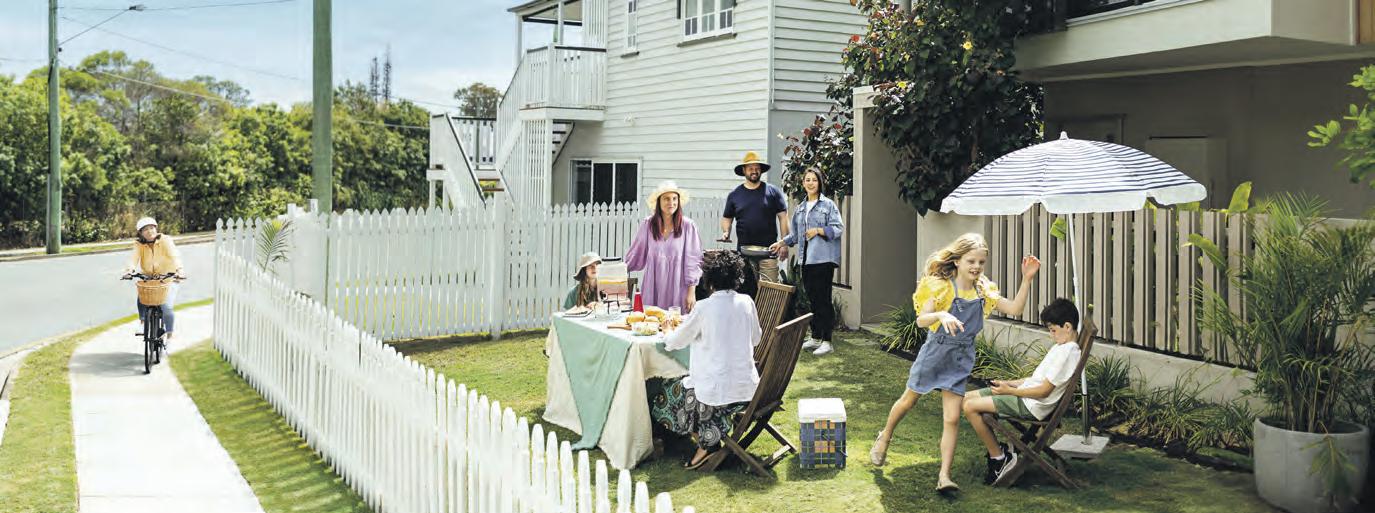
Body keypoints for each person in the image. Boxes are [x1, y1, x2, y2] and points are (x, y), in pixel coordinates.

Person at [869, 233, 1041, 493]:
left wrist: (1026, 279)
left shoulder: (983, 290)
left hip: (960, 359)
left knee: (951, 418)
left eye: (981, 262)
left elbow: (1015, 309)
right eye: (971, 261)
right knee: (908, 401)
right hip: (935, 354)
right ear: (957, 261)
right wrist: (941, 314)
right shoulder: (940, 287)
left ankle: (944, 476)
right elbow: (921, 320)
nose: (977, 267)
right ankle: (885, 436)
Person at [649, 250, 761, 469]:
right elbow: (756, 339)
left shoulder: (704, 308)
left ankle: (706, 443)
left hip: (717, 396)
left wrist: (667, 331)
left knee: (667, 391)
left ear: (708, 281)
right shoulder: (747, 302)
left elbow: (675, 342)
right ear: (737, 277)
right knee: (692, 384)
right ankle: (709, 437)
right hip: (748, 391)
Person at [963, 298, 1082, 486]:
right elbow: (1035, 380)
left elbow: (1043, 391)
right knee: (966, 398)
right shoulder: (1062, 347)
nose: (1051, 335)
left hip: (1032, 405)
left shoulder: (1068, 353)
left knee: (970, 407)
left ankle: (999, 459)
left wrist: (1010, 392)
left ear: (1067, 326)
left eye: (1053, 330)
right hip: (1025, 397)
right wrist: (1008, 384)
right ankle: (1001, 451)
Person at [769, 168, 844, 356]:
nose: (811, 183)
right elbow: (795, 235)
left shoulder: (828, 205)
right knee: (812, 299)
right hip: (806, 260)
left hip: (824, 260)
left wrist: (818, 230)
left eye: (814, 180)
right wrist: (780, 243)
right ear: (803, 183)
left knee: (823, 300)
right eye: (807, 180)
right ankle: (816, 336)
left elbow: (838, 229)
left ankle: (827, 340)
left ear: (819, 183)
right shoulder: (801, 209)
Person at [625, 181, 703, 312]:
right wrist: (617, 270)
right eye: (666, 199)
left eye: (674, 199)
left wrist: (691, 292)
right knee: (651, 320)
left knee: (676, 321)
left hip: (678, 287)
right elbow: (636, 253)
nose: (671, 203)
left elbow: (693, 260)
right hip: (653, 286)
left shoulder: (688, 226)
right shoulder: (648, 225)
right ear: (659, 202)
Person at [720, 151, 789, 286]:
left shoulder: (773, 192)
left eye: (757, 168)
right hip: (744, 254)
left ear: (761, 170)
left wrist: (784, 243)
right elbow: (727, 218)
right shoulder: (735, 195)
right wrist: (726, 232)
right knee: (747, 289)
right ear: (744, 170)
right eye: (750, 168)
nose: (754, 171)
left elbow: (783, 217)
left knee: (769, 290)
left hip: (769, 251)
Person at [123, 217, 185, 342]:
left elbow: (174, 255)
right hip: (149, 277)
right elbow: (133, 258)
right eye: (145, 229)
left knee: (166, 306)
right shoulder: (139, 244)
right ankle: (142, 323)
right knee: (143, 293)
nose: (149, 231)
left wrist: (179, 270)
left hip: (168, 277)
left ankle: (170, 334)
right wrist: (129, 271)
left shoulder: (165, 240)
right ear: (140, 233)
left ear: (156, 229)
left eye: (151, 228)